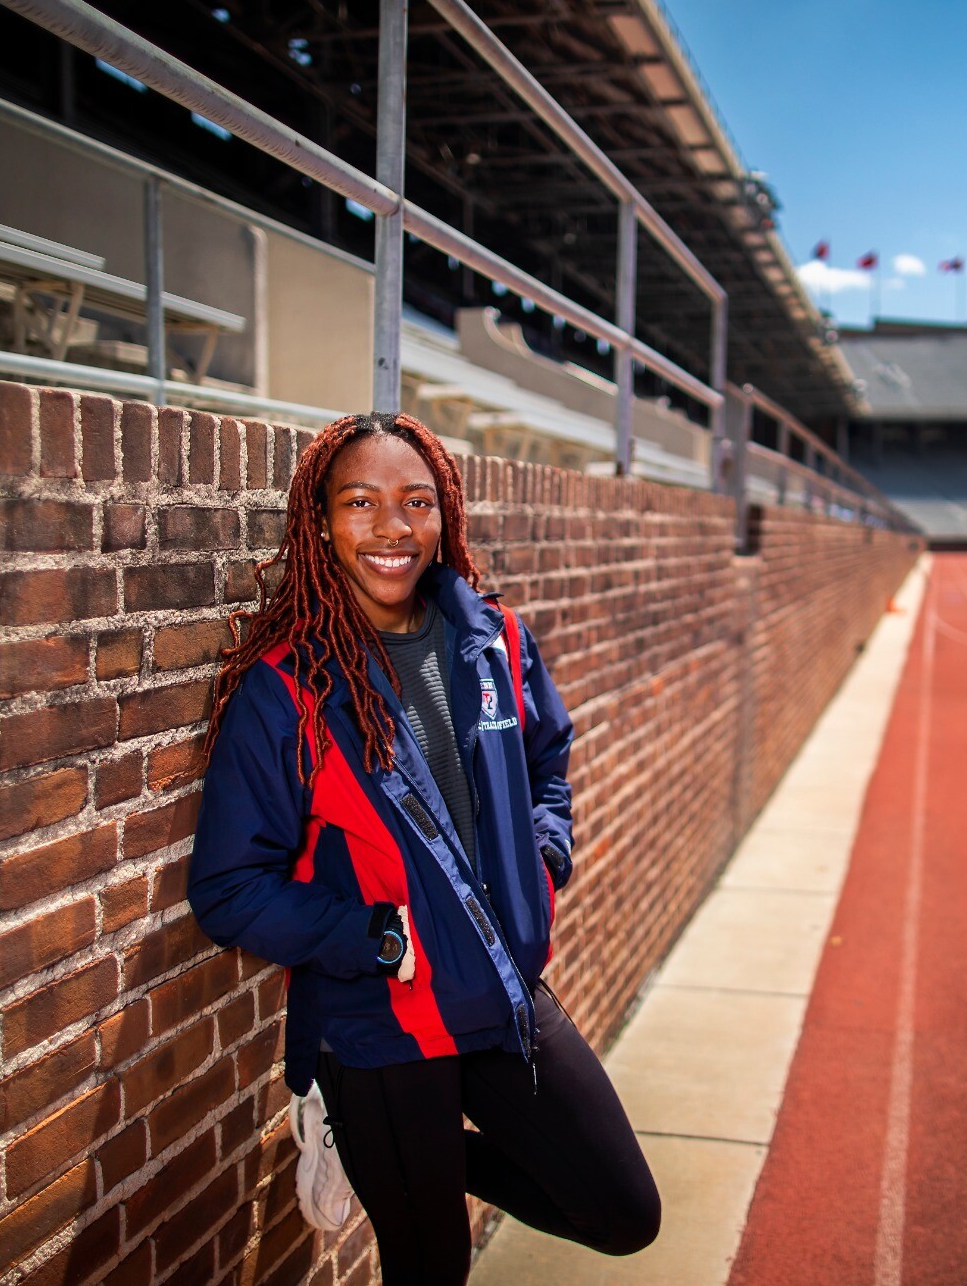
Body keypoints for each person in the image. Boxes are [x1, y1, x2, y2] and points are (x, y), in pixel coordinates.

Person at [188, 412, 660, 1283]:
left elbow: (546, 758)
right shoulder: (288, 687)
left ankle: (413, 1159)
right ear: (320, 522)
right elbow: (228, 886)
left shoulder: (496, 641)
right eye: (360, 502)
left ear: (446, 514)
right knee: (431, 1265)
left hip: (500, 995)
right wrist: (374, 937)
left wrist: (542, 858)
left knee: (622, 1209)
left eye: (416, 501)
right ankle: (384, 1149)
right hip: (380, 1024)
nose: (391, 528)